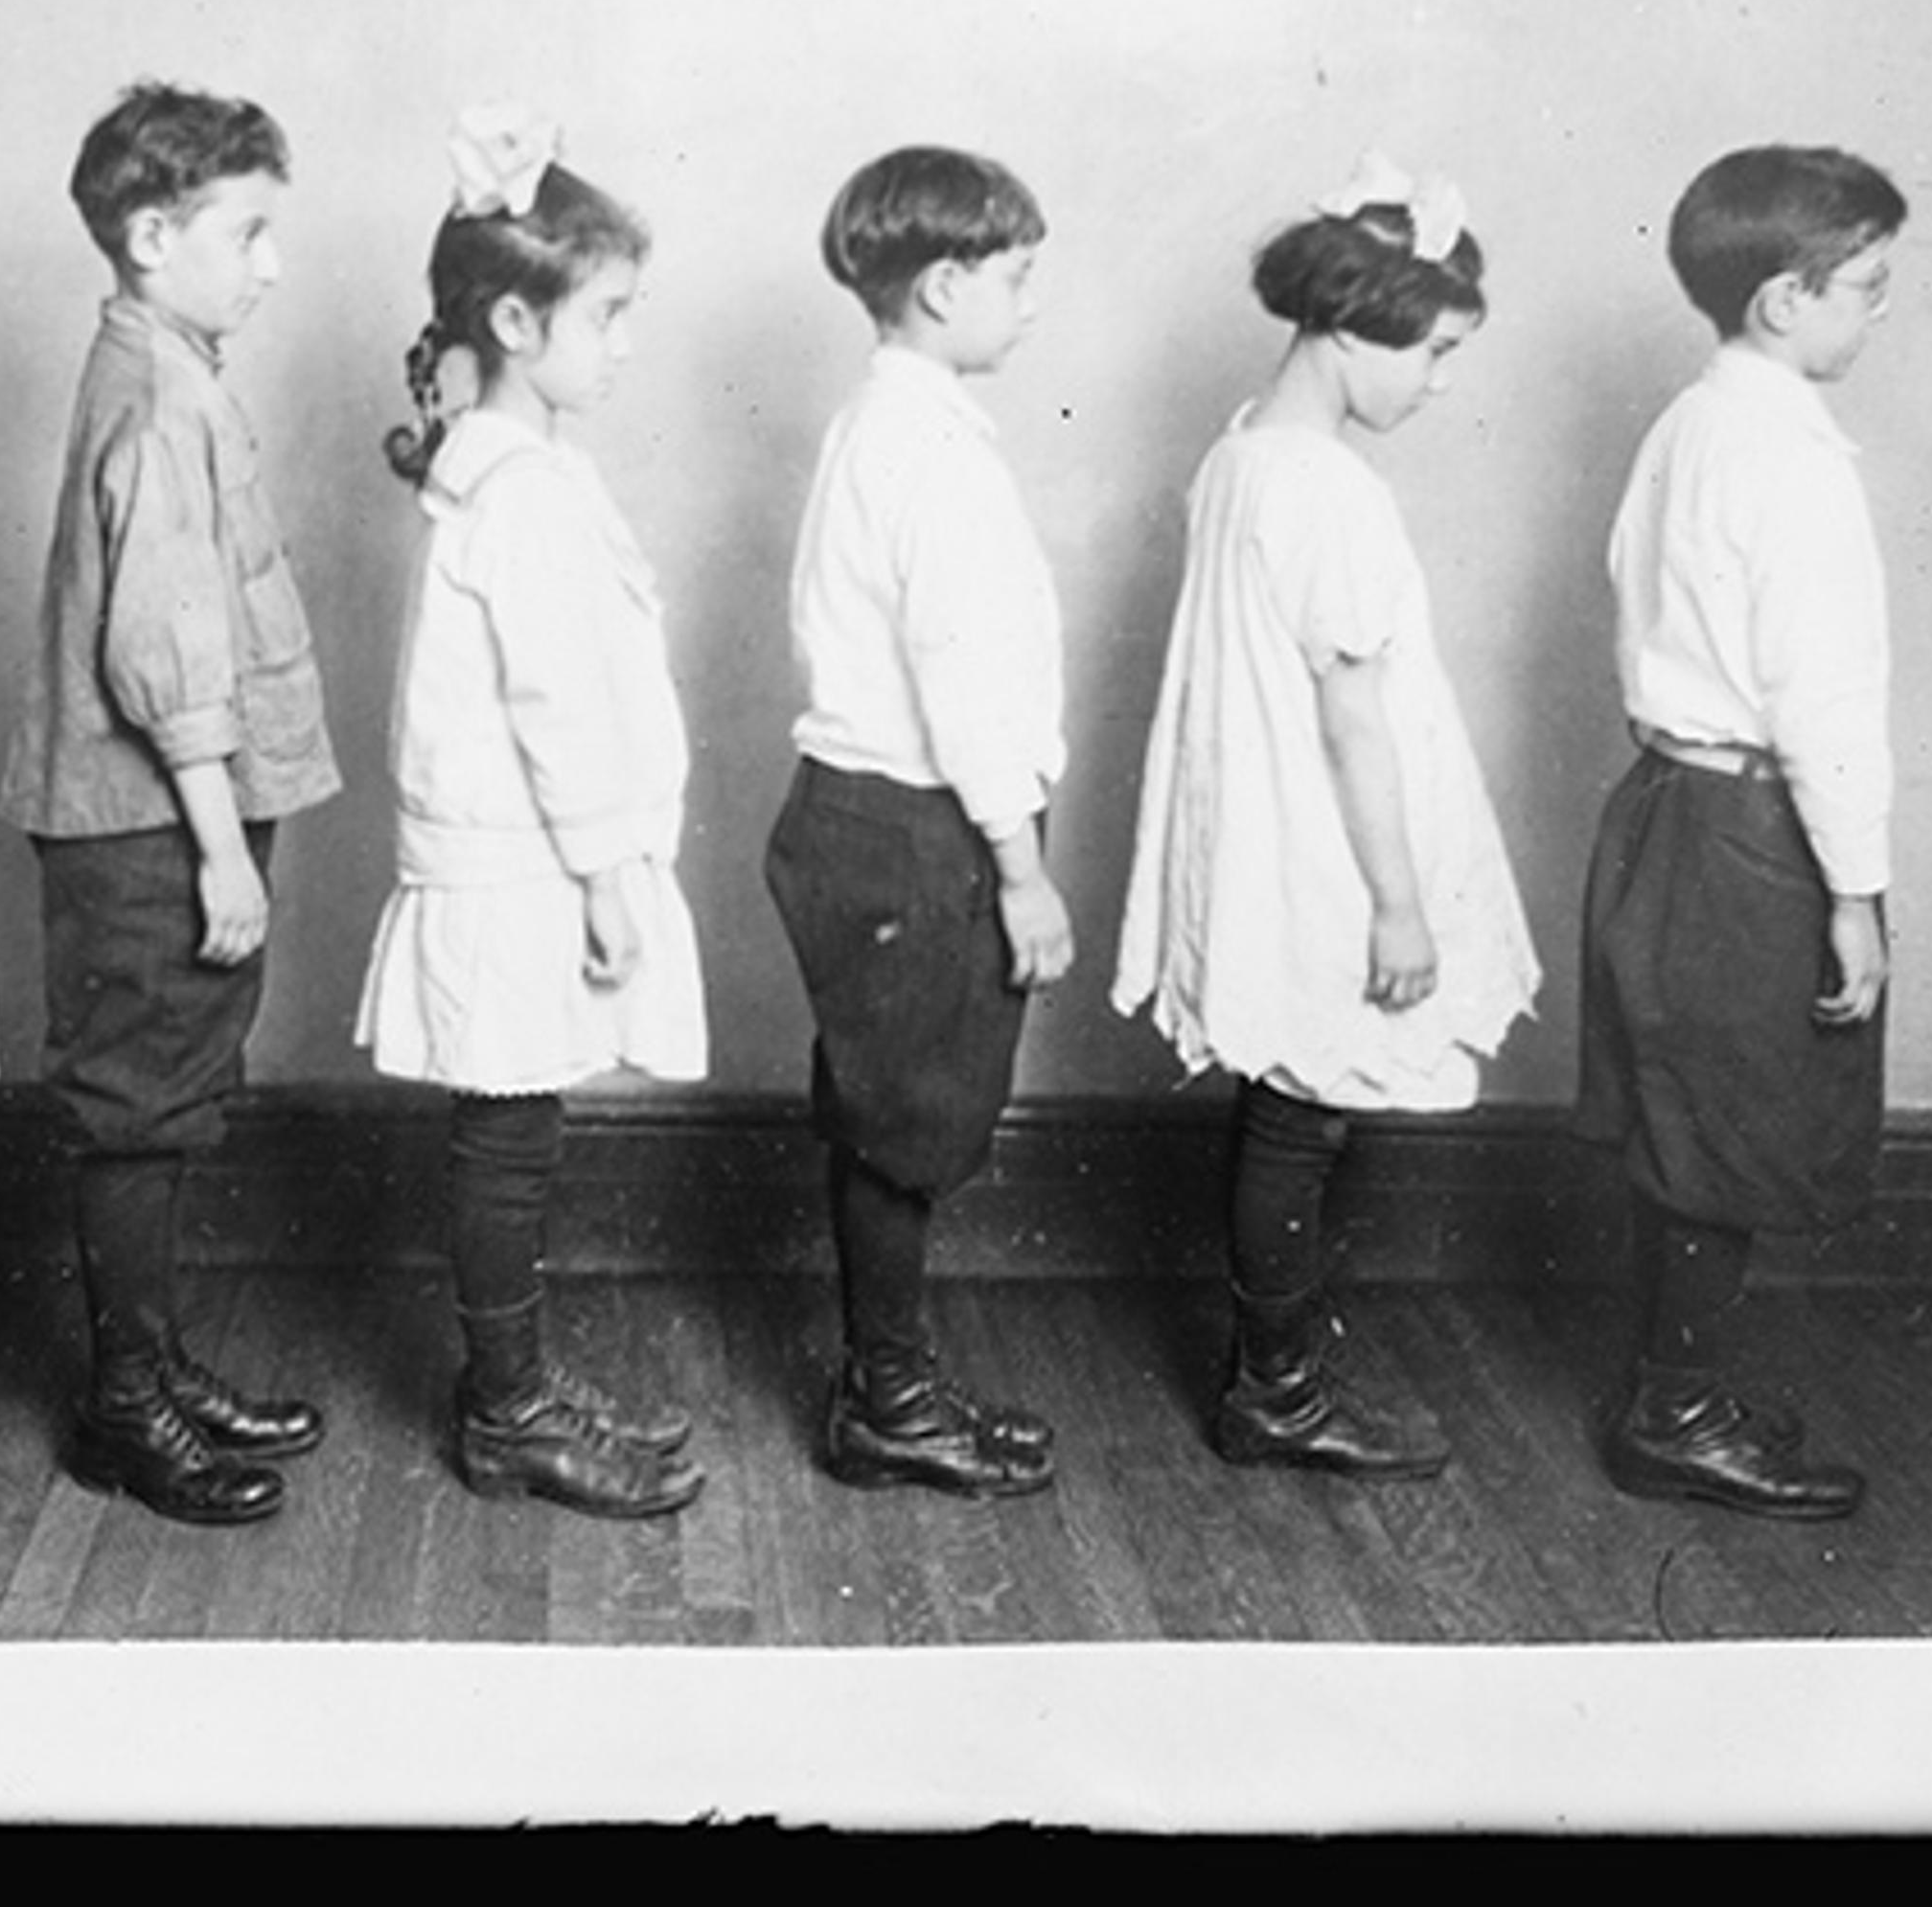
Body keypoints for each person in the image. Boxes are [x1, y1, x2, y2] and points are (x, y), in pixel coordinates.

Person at [1110, 154, 1538, 1479]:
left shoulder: (1243, 452)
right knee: (1304, 1110)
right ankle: (1276, 1388)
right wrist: (1402, 902)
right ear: (1355, 328)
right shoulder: (1328, 489)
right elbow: (1355, 719)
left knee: (1288, 1099)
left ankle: (1276, 1370)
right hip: (1324, 839)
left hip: (1264, 822)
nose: (1439, 383)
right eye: (1435, 351)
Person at [351, 108, 707, 1520]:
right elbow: (560, 707)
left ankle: (516, 1388)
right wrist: (615, 876)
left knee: (519, 1130)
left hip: (514, 858)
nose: (625, 343)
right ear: (514, 315)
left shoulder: (510, 473)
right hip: (521, 866)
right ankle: (506, 1411)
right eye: (608, 314)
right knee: (507, 1136)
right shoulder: (525, 488)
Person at [0, 81, 342, 1528]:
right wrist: (219, 851)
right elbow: (160, 653)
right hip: (148, 825)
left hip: (167, 816)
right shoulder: (154, 392)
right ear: (151, 234)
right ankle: (124, 1405)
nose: (271, 262)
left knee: (167, 1095)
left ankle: (154, 1363)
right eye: (246, 230)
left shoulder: (171, 367)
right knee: (136, 1111)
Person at [1577, 145, 1910, 1521]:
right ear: (1784, 300)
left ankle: (1676, 1382)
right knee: (1730, 1115)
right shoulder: (1794, 464)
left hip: (1665, 799)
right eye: (1868, 288)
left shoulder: (1688, 423)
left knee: (1688, 1104)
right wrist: (1857, 890)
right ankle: (1677, 1409)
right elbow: (1822, 701)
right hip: (1749, 825)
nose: (1881, 312)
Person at [764, 146, 1071, 1499]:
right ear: (944, 286)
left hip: (885, 819)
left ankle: (893, 1382)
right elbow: (960, 674)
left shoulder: (895, 426)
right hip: (917, 827)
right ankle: (887, 1399)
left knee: (898, 1111)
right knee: (904, 1119)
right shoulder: (921, 449)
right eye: (1017, 276)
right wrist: (1021, 868)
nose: (1031, 301)